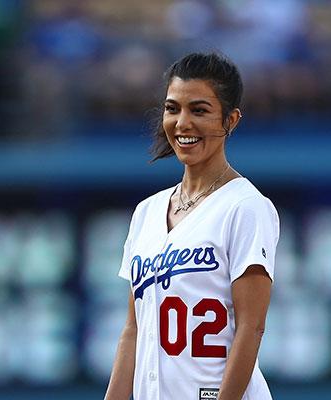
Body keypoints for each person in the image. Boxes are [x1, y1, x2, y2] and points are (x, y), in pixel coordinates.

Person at [104, 52, 279, 400]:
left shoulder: (245, 206)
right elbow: (134, 330)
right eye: (173, 108)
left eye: (199, 110)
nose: (182, 123)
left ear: (230, 120)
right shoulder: (147, 212)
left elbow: (251, 327)